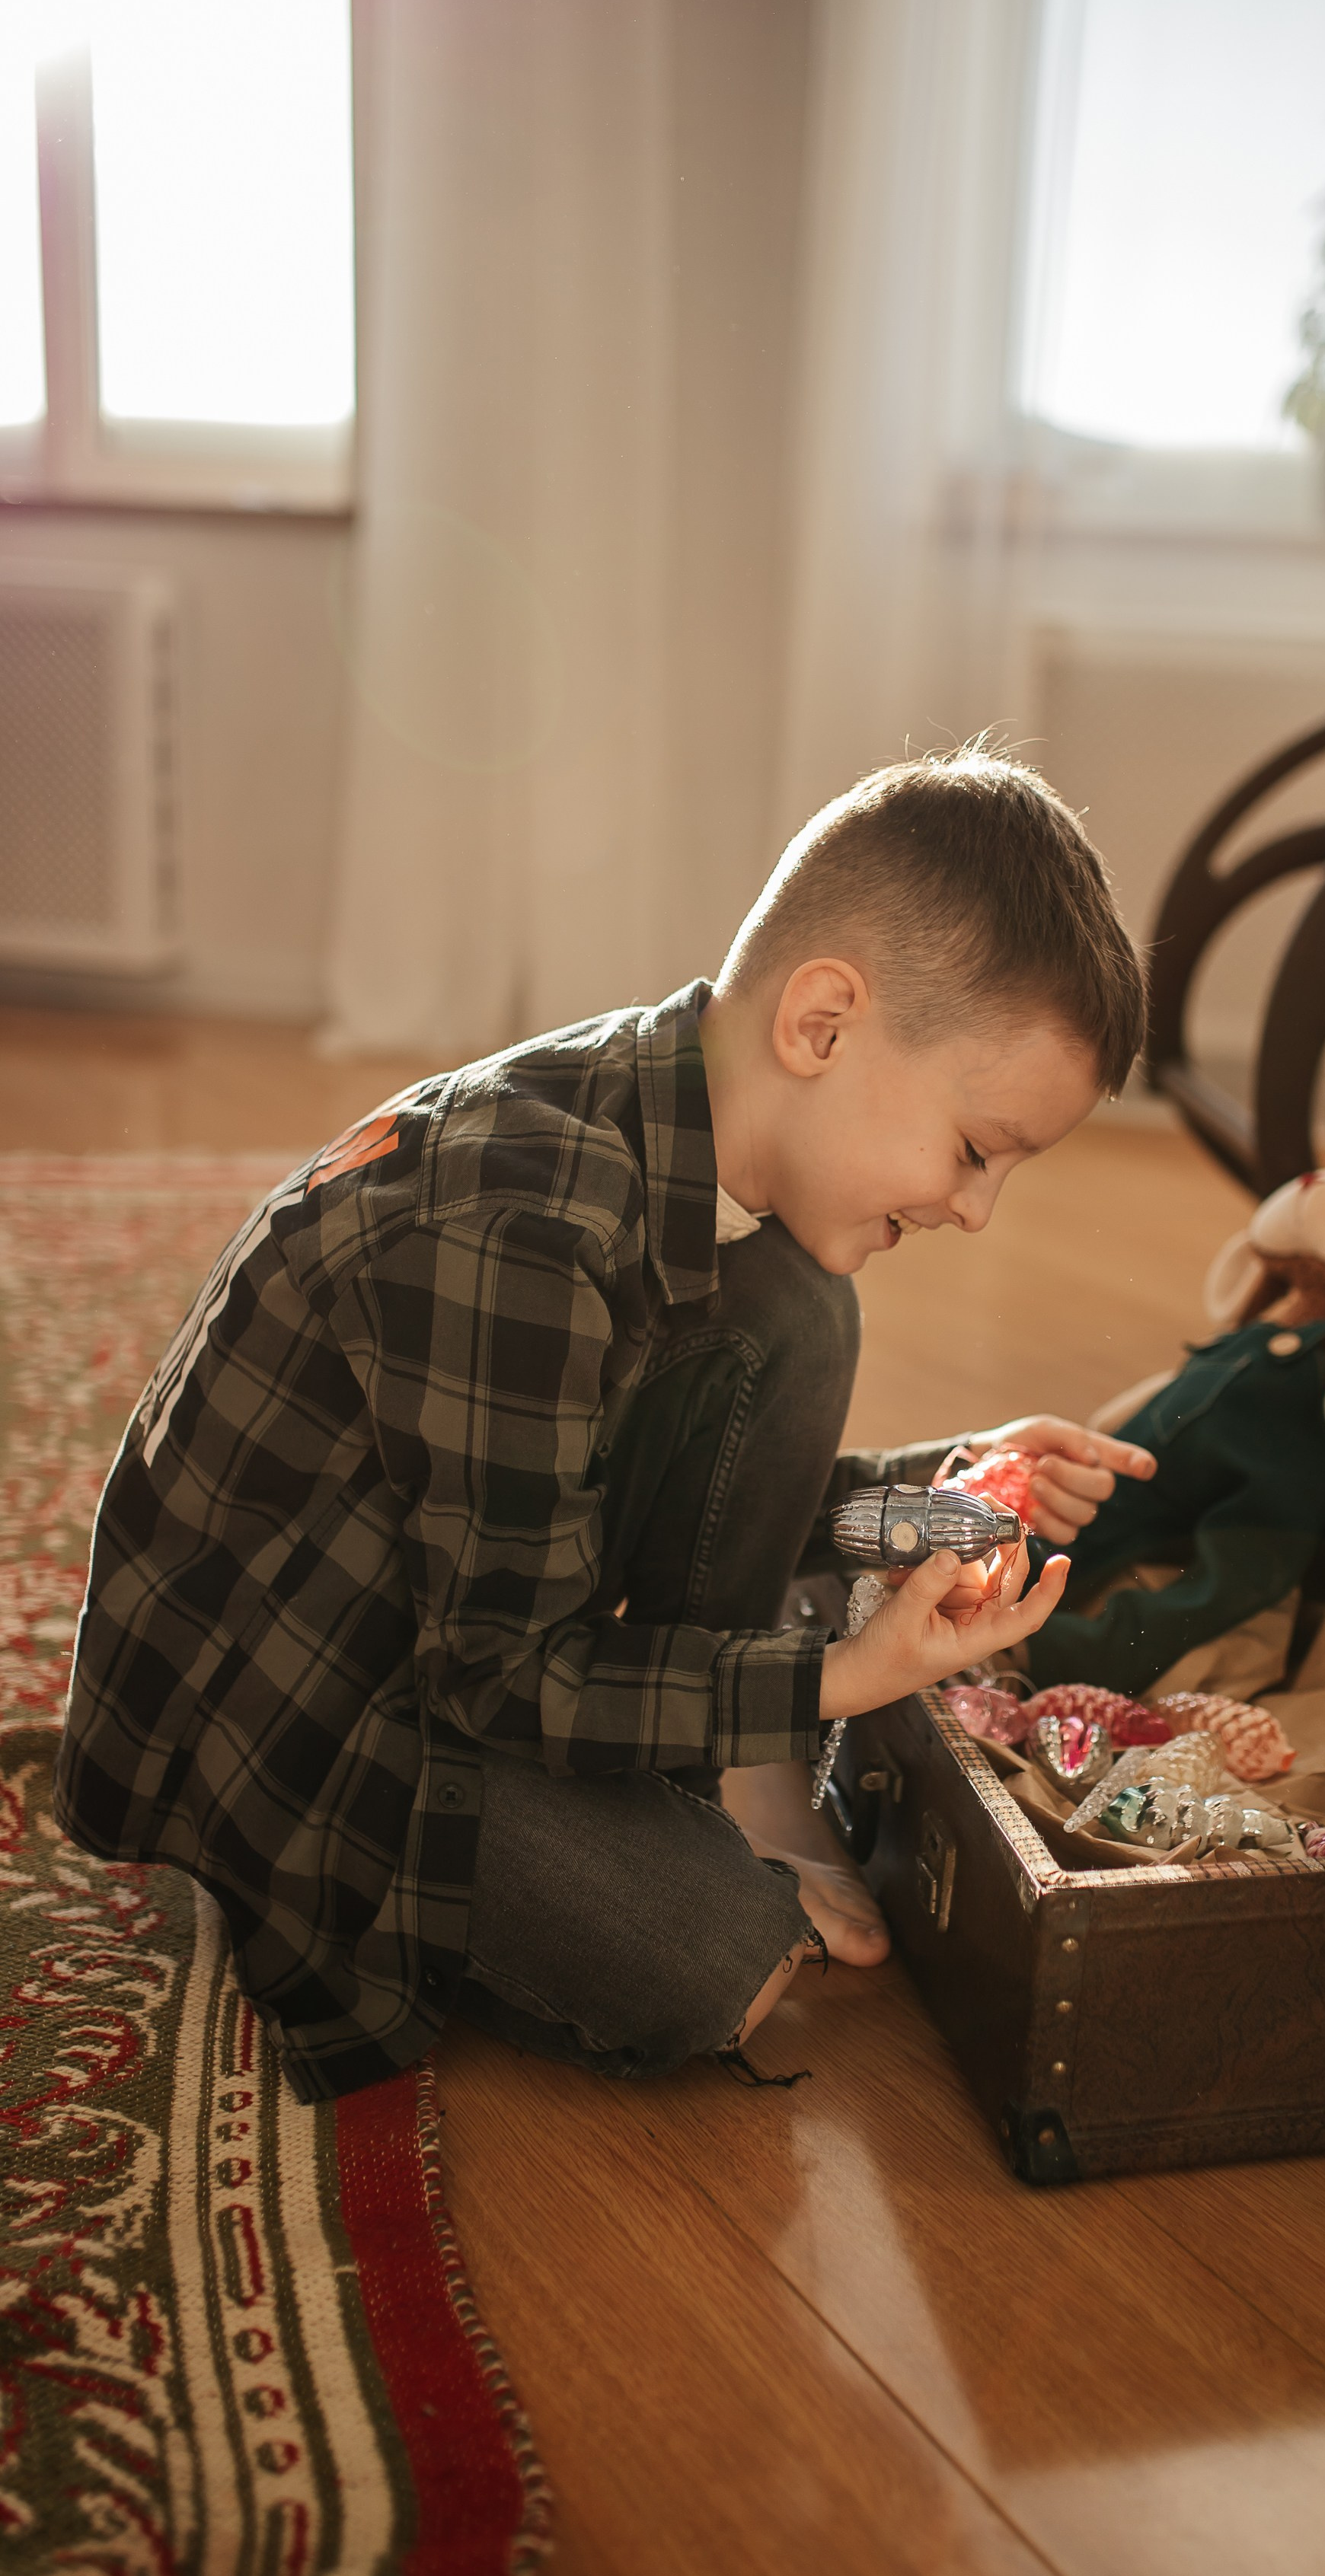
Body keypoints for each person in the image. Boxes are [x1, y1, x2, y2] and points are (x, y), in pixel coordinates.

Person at [55, 749, 1154, 2102]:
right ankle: (698, 1806)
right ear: (821, 1025)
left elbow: (644, 1475)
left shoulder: (657, 1133)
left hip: (446, 1619)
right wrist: (837, 1682)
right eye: (976, 1151)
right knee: (712, 1962)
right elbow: (502, 1677)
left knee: (803, 1316)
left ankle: (694, 1790)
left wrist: (944, 1498)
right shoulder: (525, 1221)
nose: (974, 1209)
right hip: (305, 1716)